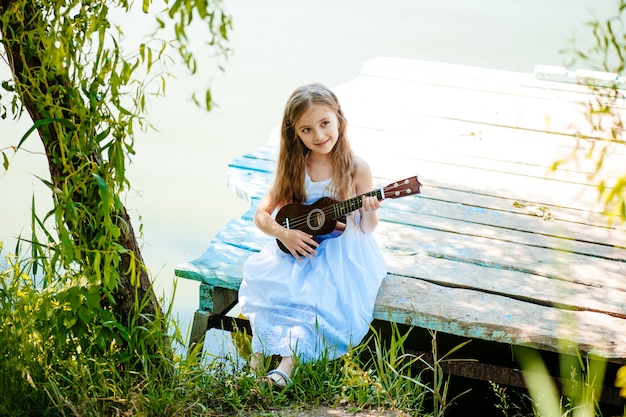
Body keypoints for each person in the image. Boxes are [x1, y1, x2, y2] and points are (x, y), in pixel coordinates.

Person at [238, 83, 387, 387]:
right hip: (301, 244)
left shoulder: (357, 168)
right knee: (271, 290)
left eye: (324, 124)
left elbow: (368, 227)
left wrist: (370, 208)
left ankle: (284, 369)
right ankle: (254, 365)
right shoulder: (295, 166)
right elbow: (261, 216)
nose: (319, 136)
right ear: (295, 133)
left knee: (317, 299)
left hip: (344, 253)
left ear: (339, 119)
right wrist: (285, 235)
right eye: (307, 130)